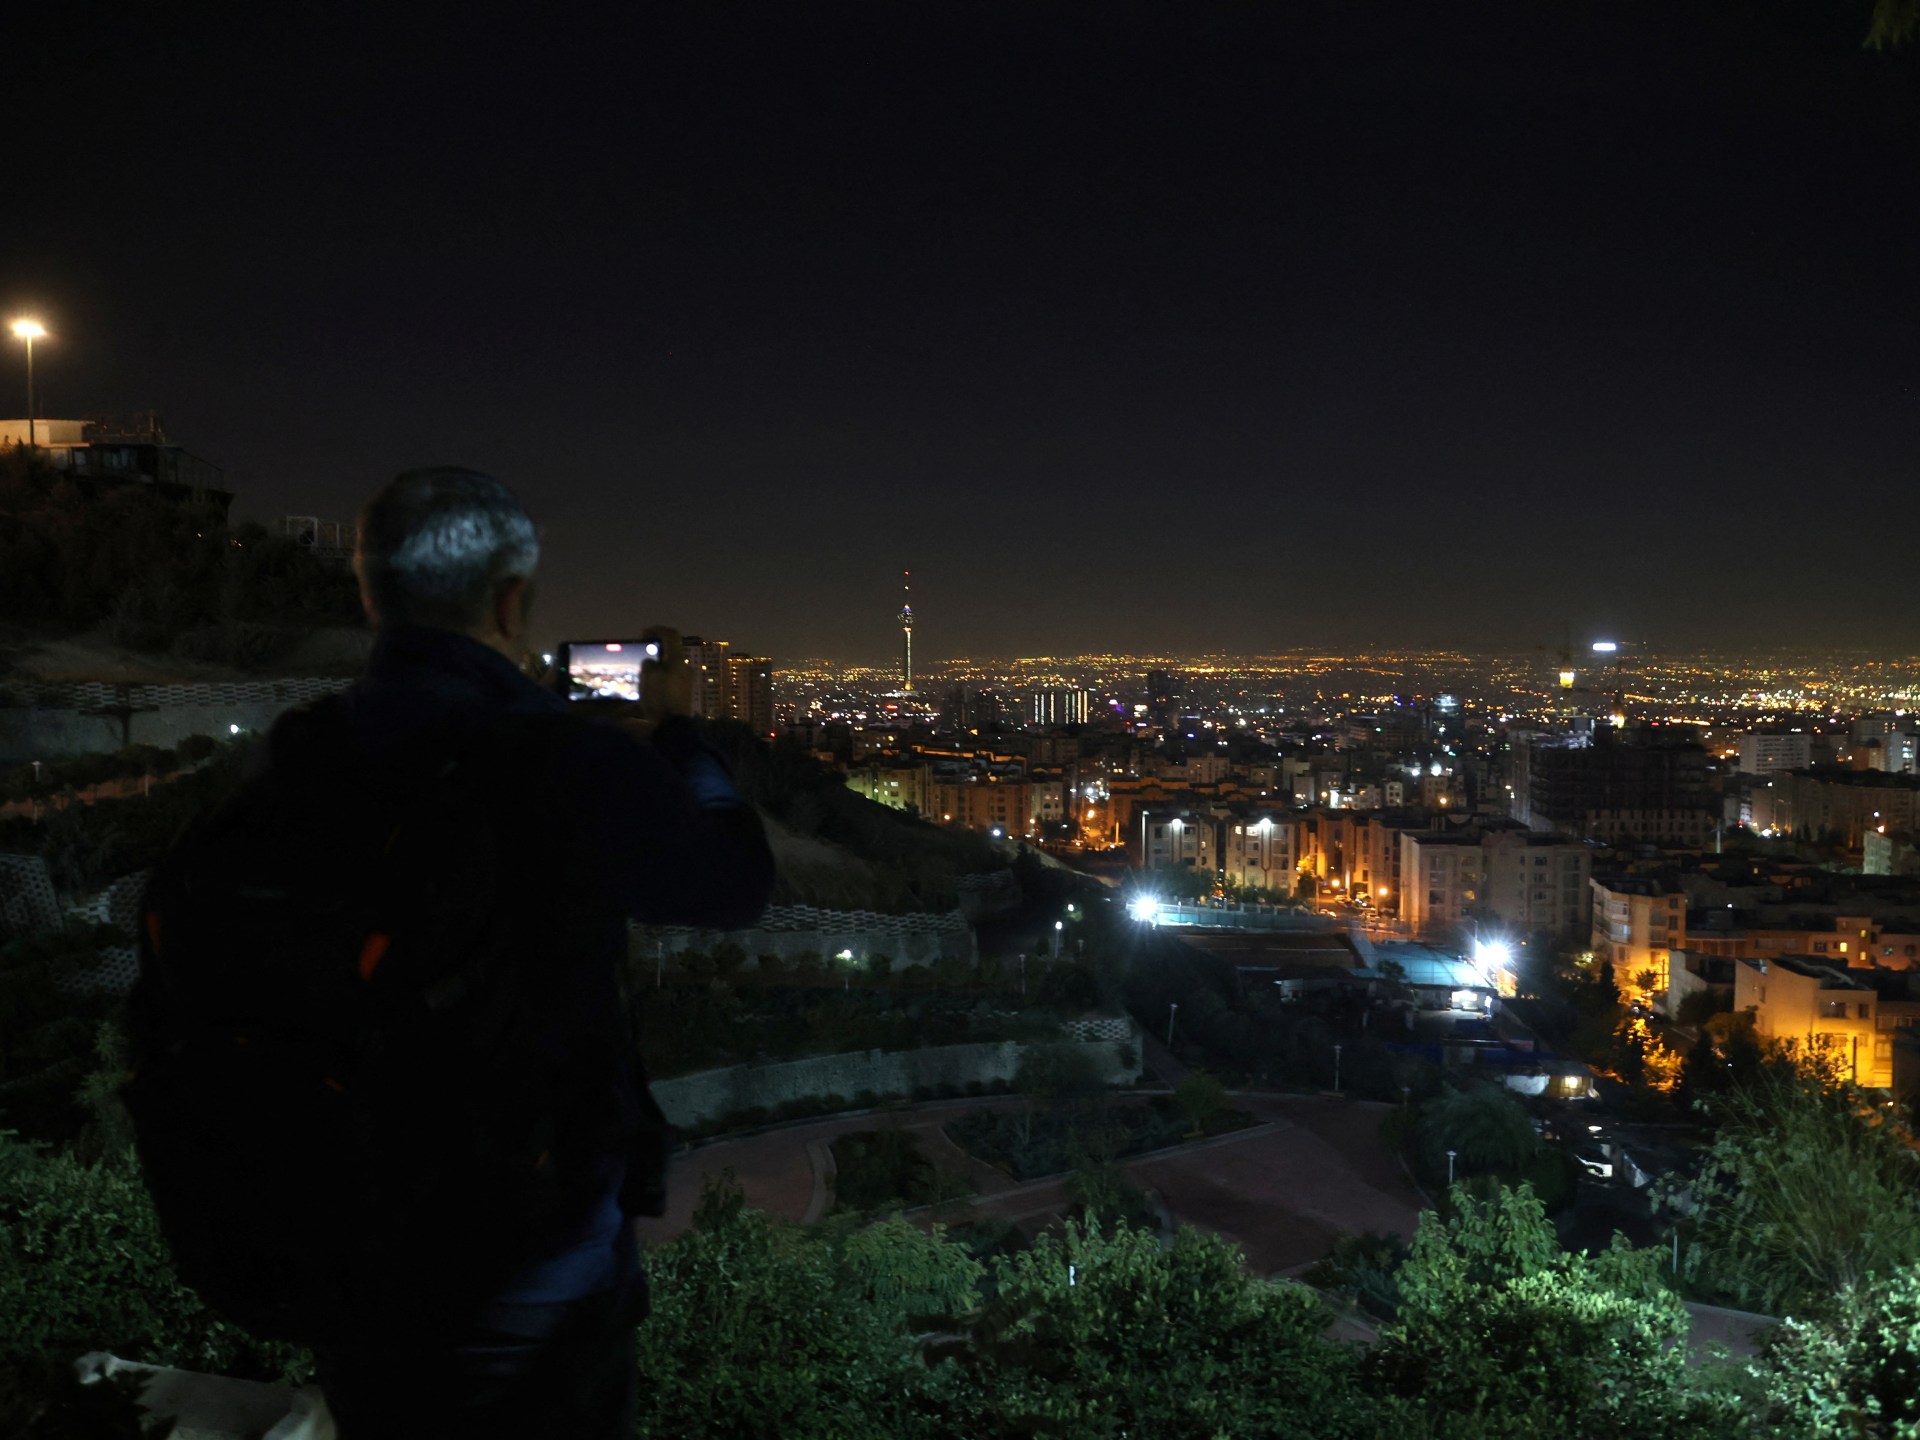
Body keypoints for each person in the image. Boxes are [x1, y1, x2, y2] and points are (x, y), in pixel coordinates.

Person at [308, 467, 774, 1436]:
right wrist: (683, 735)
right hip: (533, 1267)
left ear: (370, 592)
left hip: (348, 1253)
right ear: (510, 603)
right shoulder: (556, 762)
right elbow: (735, 883)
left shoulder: (300, 755)